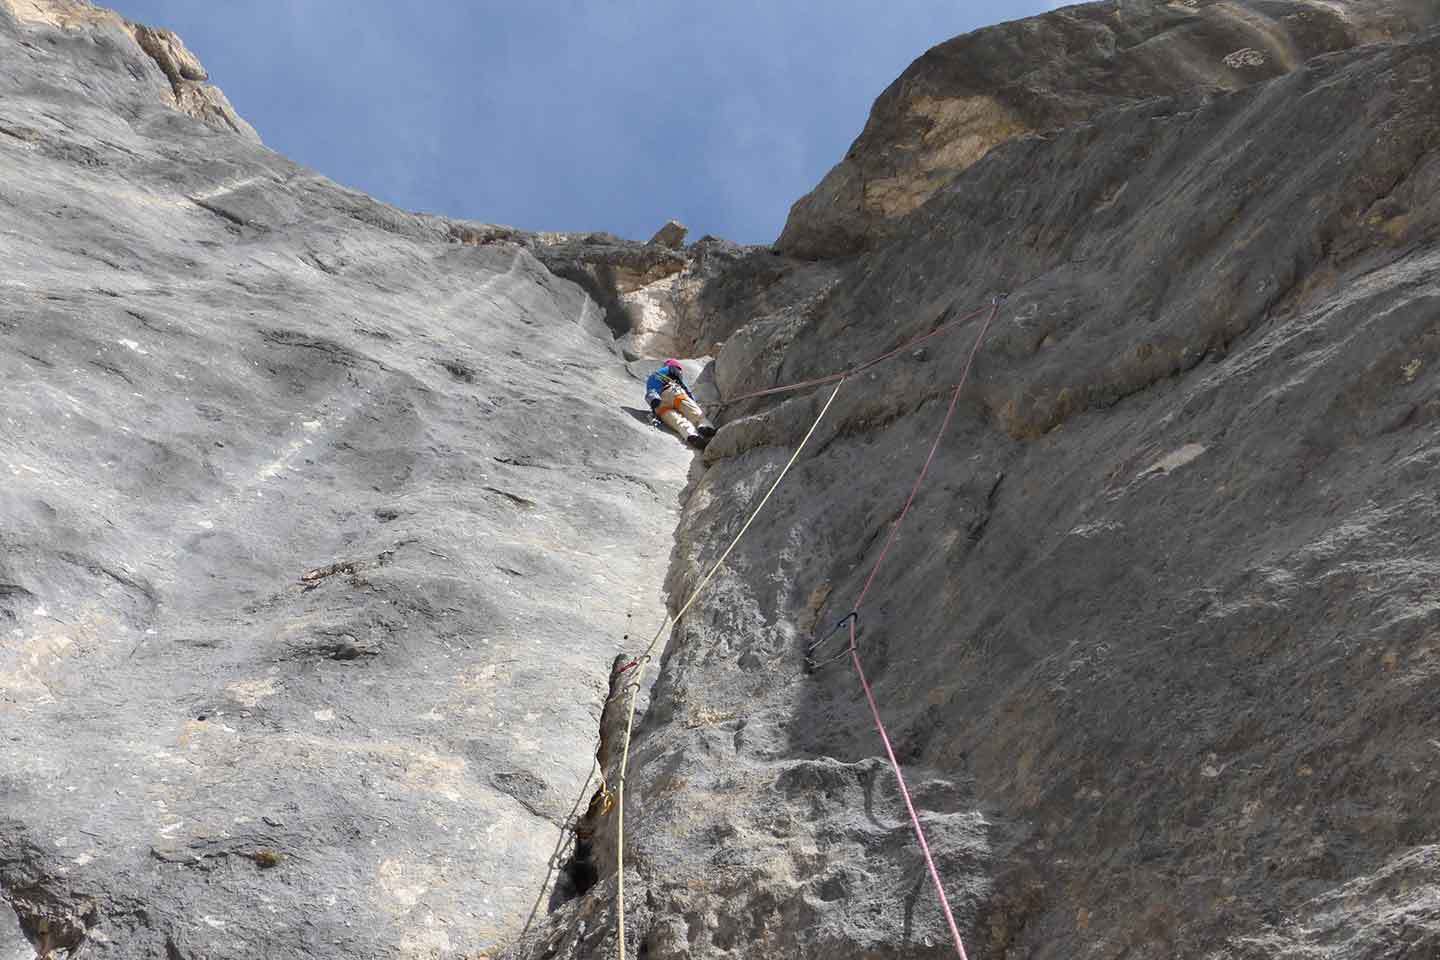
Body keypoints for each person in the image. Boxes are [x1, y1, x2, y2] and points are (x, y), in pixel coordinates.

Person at [645, 359, 715, 448]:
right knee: (695, 414)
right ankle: (705, 427)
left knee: (678, 422)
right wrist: (692, 400)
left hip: (659, 404)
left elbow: (650, 395)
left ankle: (692, 436)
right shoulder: (670, 369)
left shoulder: (651, 378)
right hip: (673, 393)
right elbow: (684, 387)